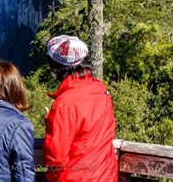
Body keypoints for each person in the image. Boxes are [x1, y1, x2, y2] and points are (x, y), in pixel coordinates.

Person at [43, 35, 118, 182]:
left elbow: (56, 158)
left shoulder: (64, 104)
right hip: (106, 176)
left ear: (57, 68)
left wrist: (53, 120)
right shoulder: (102, 91)